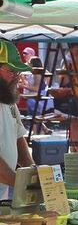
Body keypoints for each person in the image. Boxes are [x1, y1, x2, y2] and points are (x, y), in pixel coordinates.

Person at [0, 40, 36, 199]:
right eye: (11, 71)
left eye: (18, 71)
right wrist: (23, 183)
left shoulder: (8, 101)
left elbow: (18, 138)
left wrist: (33, 173)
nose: (17, 76)